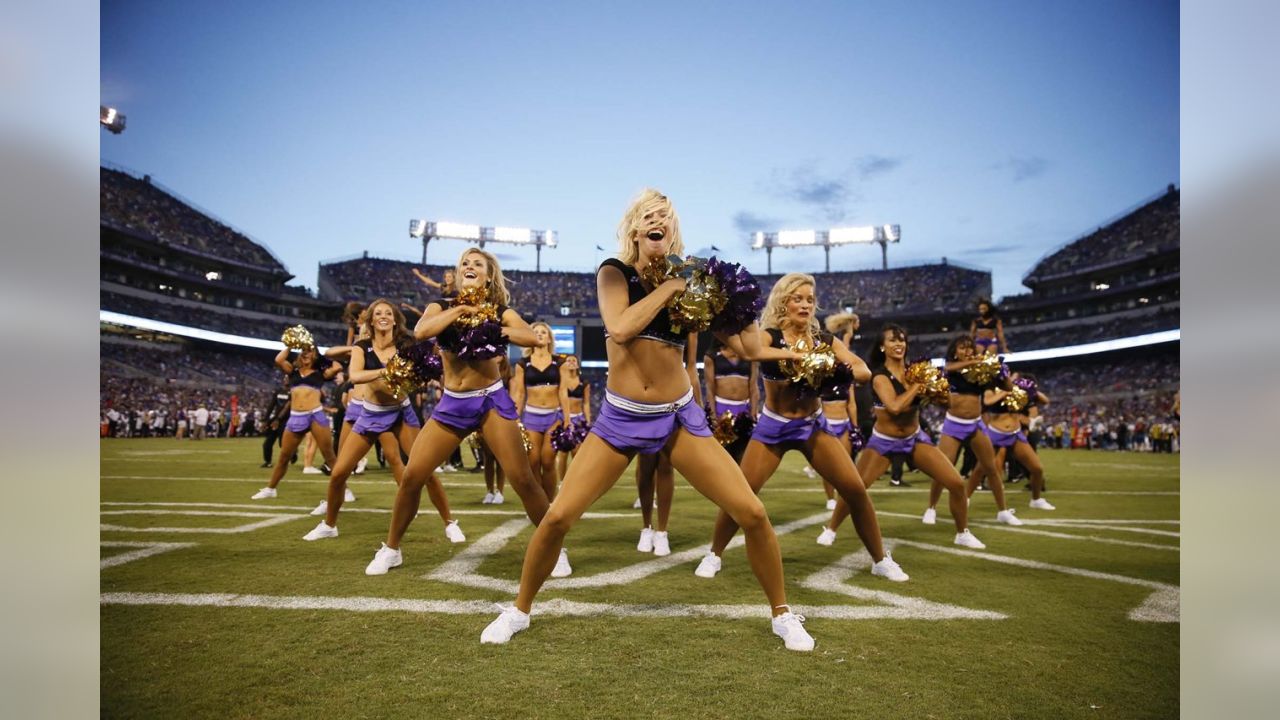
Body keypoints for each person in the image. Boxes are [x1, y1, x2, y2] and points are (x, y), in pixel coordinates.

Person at [480, 188, 818, 651]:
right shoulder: (614, 273)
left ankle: (782, 614)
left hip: (679, 416)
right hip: (621, 418)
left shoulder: (689, 281)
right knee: (558, 517)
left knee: (753, 513)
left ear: (671, 230)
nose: (657, 221)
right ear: (635, 229)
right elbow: (619, 327)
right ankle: (519, 609)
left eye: (665, 216)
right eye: (648, 215)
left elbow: (749, 348)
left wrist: (783, 340)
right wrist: (669, 288)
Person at [695, 273, 907, 583]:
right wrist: (797, 356)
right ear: (783, 302)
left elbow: (862, 370)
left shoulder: (824, 341)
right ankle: (714, 554)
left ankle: (879, 558)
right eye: (798, 298)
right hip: (774, 428)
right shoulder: (770, 335)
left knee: (856, 491)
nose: (805, 304)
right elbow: (752, 351)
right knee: (742, 494)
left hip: (812, 427)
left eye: (809, 299)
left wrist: (834, 366)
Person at [364, 249, 559, 576]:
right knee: (413, 476)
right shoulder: (440, 307)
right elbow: (422, 332)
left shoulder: (499, 310)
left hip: (490, 401)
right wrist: (463, 310)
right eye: (465, 263)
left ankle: (555, 549)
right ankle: (392, 549)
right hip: (452, 403)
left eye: (477, 264)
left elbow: (527, 336)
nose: (470, 267)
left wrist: (495, 329)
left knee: (523, 479)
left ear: (488, 275)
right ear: (457, 274)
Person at [301, 299, 463, 543]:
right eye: (378, 313)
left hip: (401, 413)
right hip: (371, 414)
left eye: (388, 313)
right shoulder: (361, 347)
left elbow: (429, 360)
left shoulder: (406, 344)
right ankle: (329, 524)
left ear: (395, 319)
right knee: (339, 474)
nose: (384, 316)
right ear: (371, 320)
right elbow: (355, 375)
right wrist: (386, 370)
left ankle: (449, 523)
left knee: (424, 471)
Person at [821, 324, 987, 549]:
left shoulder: (914, 371)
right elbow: (895, 407)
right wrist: (919, 386)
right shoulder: (879, 376)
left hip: (915, 438)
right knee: (856, 489)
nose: (899, 344)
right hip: (883, 442)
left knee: (956, 483)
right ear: (882, 346)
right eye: (892, 340)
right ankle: (831, 529)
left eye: (902, 340)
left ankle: (962, 532)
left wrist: (937, 389)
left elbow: (947, 403)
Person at [922, 336, 1023, 527]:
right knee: (942, 469)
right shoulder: (950, 369)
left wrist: (1001, 372)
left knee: (990, 468)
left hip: (976, 424)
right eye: (962, 348)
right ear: (954, 351)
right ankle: (931, 508)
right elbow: (947, 368)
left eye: (969, 348)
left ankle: (1002, 511)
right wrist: (975, 360)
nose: (967, 350)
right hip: (954, 424)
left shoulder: (980, 371)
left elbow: (1008, 388)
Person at [251, 345, 340, 499]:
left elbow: (337, 366)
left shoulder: (321, 373)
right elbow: (279, 359)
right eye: (303, 351)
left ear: (314, 356)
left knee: (330, 456)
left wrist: (320, 357)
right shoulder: (292, 371)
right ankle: (271, 489)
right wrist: (290, 346)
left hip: (315, 415)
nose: (305, 354)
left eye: (309, 352)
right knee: (284, 456)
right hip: (296, 416)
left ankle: (344, 490)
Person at [970, 373, 1055, 511]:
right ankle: (966, 498)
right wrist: (1006, 391)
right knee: (981, 468)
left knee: (1037, 469)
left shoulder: (1017, 391)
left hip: (1015, 434)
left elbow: (1044, 401)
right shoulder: (991, 390)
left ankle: (1036, 499)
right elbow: (987, 401)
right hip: (995, 434)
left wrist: (1031, 388)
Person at [511, 322, 565, 503]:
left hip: (554, 416)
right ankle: (538, 502)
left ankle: (550, 502)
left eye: (543, 332)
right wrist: (515, 418)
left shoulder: (560, 362)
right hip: (531, 417)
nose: (540, 335)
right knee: (533, 462)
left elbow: (563, 391)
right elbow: (519, 393)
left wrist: (567, 419)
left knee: (548, 460)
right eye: (535, 332)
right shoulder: (522, 364)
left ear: (549, 338)